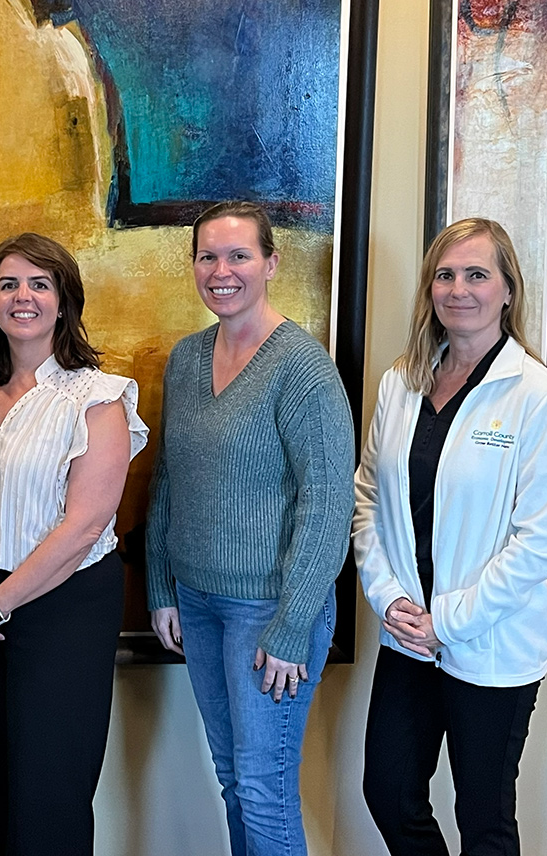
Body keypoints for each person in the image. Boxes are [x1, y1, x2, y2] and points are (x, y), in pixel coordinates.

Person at [354, 218, 547, 856]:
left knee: (483, 819)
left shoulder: (536, 397)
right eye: (444, 275)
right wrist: (389, 597)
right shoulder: (401, 383)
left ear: (507, 290)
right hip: (408, 633)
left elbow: (542, 540)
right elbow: (368, 498)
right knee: (389, 791)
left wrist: (448, 621)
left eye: (477, 275)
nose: (458, 289)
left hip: (491, 641)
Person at [146, 200, 354, 855]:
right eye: (207, 256)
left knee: (265, 793)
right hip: (198, 604)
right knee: (236, 782)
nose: (222, 271)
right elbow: (168, 477)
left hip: (270, 613)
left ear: (271, 263)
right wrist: (161, 585)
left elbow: (328, 504)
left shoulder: (303, 369)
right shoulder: (186, 359)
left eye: (239, 255)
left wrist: (292, 626)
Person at [0, 233, 147, 856]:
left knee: (49, 793)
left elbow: (84, 527)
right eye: (8, 285)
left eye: (39, 284)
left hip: (63, 606)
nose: (22, 297)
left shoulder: (97, 397)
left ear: (63, 300)